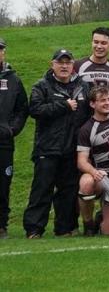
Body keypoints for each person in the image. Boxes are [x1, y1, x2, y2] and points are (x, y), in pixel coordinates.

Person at [23, 49, 90, 238]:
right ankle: (34, 229)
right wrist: (63, 106)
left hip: (72, 148)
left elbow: (88, 113)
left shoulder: (82, 86)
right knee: (42, 190)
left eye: (68, 63)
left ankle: (65, 228)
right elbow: (35, 109)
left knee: (68, 191)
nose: (64, 66)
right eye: (60, 62)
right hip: (47, 147)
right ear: (52, 64)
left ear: (73, 65)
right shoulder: (42, 86)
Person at [77, 86, 109, 235]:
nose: (107, 103)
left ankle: (103, 216)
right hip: (105, 178)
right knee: (86, 182)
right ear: (93, 104)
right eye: (102, 101)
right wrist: (94, 172)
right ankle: (88, 225)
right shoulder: (87, 129)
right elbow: (81, 161)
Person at [0, 38, 29, 238]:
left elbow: (22, 109)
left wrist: (12, 129)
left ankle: (1, 225)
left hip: (4, 142)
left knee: (3, 184)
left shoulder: (13, 79)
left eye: (0, 49)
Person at [74, 26, 109, 111]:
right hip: (84, 121)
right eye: (96, 42)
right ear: (91, 42)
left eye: (103, 43)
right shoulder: (78, 66)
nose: (99, 46)